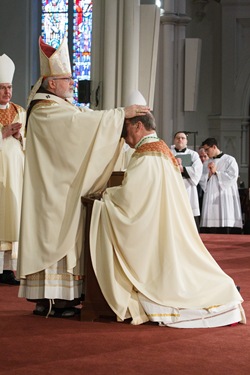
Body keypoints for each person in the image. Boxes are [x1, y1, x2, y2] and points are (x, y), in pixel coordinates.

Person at [17, 36, 149, 318]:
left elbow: (82, 122)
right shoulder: (43, 111)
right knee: (55, 238)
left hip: (62, 190)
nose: (71, 83)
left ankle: (60, 300)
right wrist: (119, 115)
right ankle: (51, 300)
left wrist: (114, 120)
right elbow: (78, 127)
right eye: (66, 79)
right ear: (51, 84)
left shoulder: (59, 106)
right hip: (52, 195)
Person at [89, 112, 246, 328]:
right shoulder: (163, 150)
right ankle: (221, 289)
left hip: (153, 223)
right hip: (165, 219)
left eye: (125, 131)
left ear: (137, 126)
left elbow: (132, 197)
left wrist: (107, 196)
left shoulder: (146, 155)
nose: (124, 137)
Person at [0, 54, 26, 285]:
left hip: (15, 175)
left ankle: (8, 269)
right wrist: (2, 134)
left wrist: (19, 136)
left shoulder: (20, 111)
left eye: (9, 87)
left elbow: (30, 143)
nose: (7, 92)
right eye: (2, 88)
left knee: (12, 216)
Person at [199, 138, 243, 234]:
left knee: (225, 219)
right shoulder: (206, 162)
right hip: (211, 194)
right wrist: (209, 175)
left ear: (214, 147)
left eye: (207, 149)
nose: (206, 152)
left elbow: (233, 176)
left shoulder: (229, 159)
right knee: (211, 223)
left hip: (224, 194)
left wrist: (216, 172)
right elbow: (201, 179)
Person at [170, 131, 202, 228]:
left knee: (189, 212)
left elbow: (197, 170)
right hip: (172, 185)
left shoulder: (193, 154)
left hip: (188, 186)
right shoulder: (168, 153)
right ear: (174, 140)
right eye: (178, 138)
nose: (180, 140)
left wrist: (183, 169)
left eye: (183, 138)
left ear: (186, 141)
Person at [197, 146, 209, 220]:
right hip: (198, 192)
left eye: (205, 156)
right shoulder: (196, 165)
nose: (203, 159)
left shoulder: (211, 165)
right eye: (200, 156)